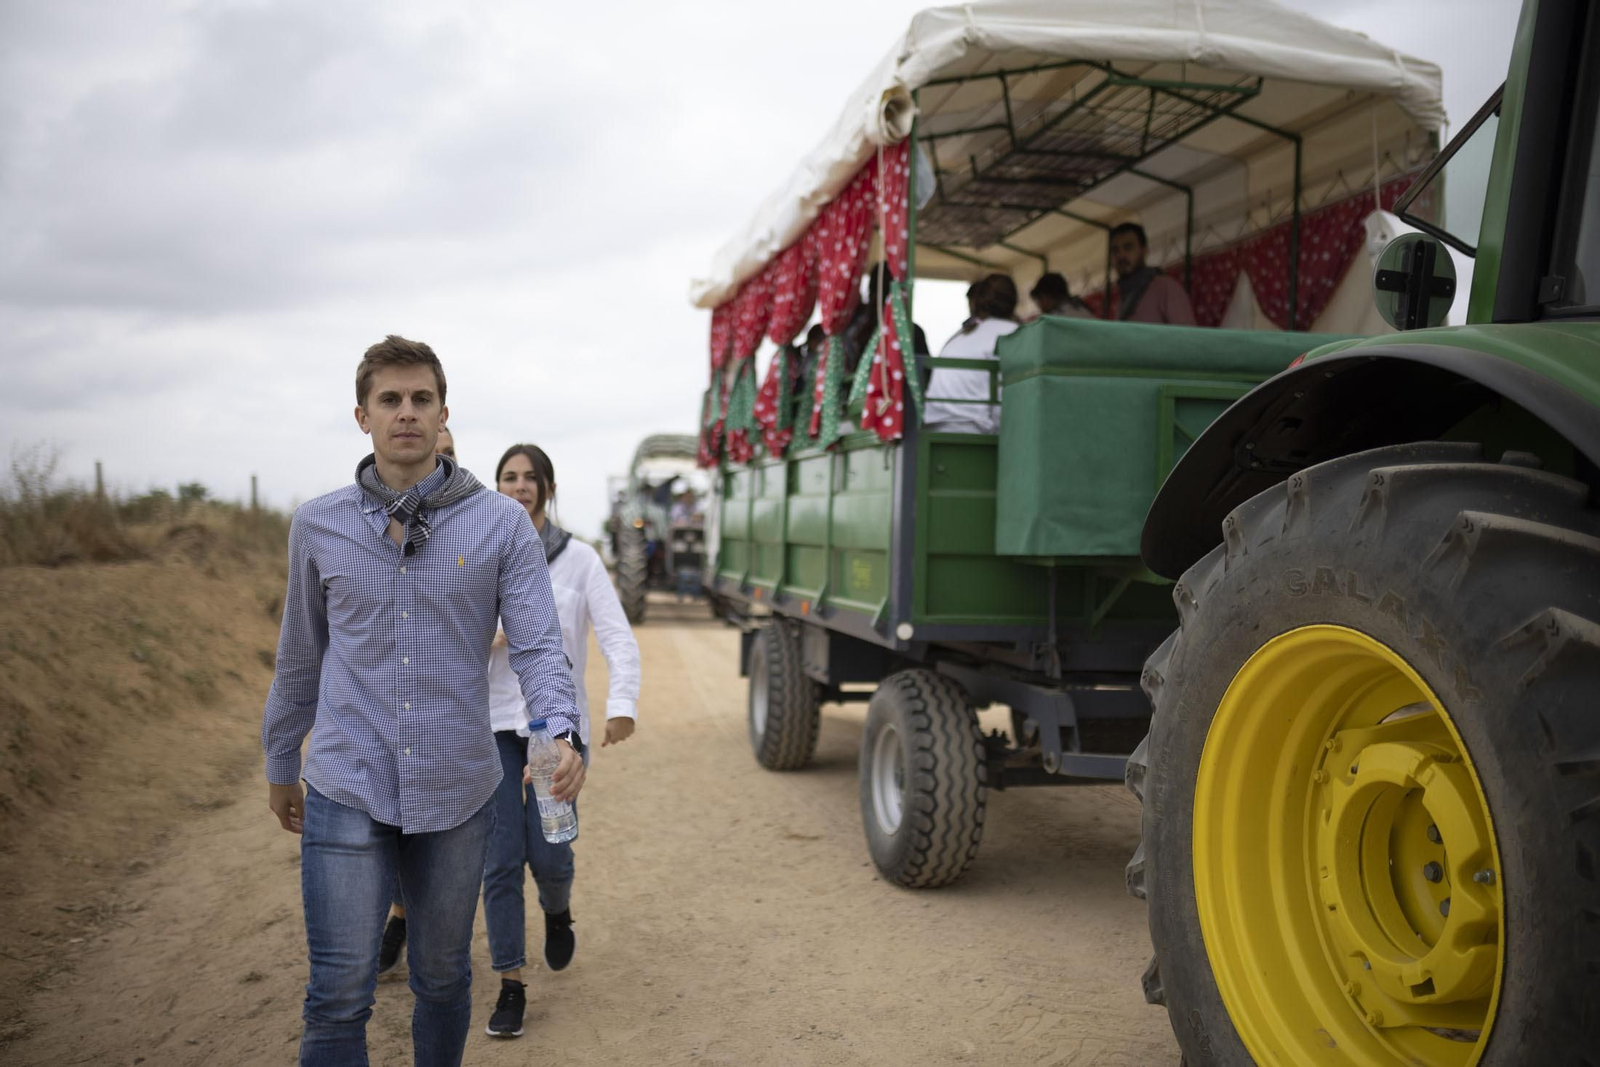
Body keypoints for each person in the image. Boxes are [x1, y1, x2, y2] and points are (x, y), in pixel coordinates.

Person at [261, 334, 584, 1067]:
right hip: (347, 779)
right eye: (390, 400)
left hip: (456, 788)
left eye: (420, 399)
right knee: (338, 992)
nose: (406, 412)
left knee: (441, 979)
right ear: (362, 415)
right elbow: (301, 653)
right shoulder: (319, 524)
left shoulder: (500, 523)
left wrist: (562, 732)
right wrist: (282, 758)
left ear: (443, 414)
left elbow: (536, 644)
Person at [477, 443, 641, 1039]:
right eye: (507, 477)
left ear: (546, 487)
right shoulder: (475, 555)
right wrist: (486, 637)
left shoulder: (580, 560)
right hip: (491, 725)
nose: (519, 486)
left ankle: (557, 908)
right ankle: (511, 984)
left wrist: (621, 706)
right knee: (498, 861)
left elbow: (618, 639)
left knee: (548, 851)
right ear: (495, 486)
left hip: (554, 730)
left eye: (529, 477)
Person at [922, 274, 1020, 434]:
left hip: (934, 427)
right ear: (1014, 302)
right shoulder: (1014, 334)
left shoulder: (959, 336)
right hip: (974, 430)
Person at [1108, 222, 1196, 325]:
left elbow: (1186, 336)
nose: (1121, 255)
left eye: (1128, 247)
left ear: (1144, 250)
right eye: (1115, 250)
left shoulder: (1165, 288)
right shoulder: (1121, 302)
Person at [1028, 272, 1093, 320]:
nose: (1040, 305)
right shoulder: (1081, 308)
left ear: (1046, 297)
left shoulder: (1054, 319)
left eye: (1040, 299)